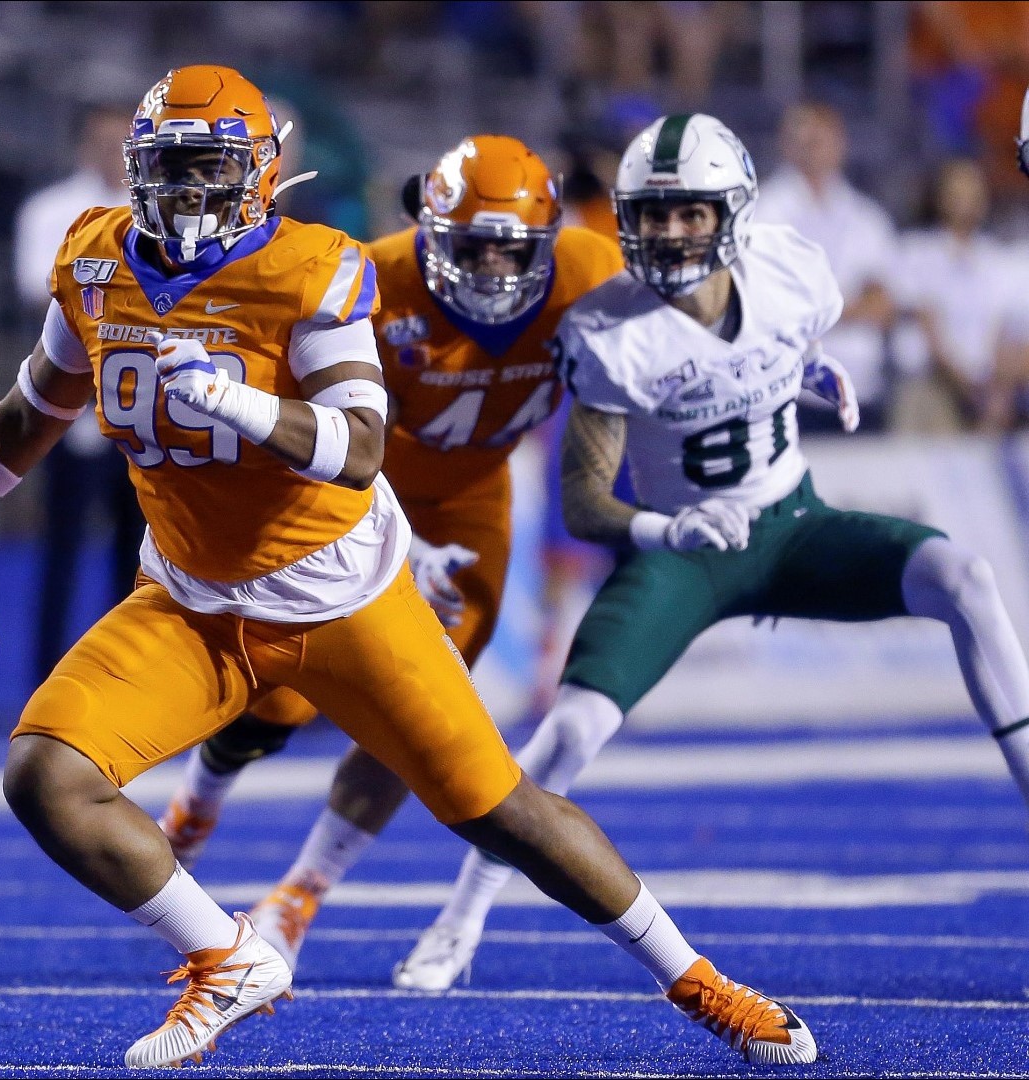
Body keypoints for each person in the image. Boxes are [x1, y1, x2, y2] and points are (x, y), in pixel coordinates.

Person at [0, 67, 817, 1069]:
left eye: (206, 169)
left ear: (262, 174)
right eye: (166, 168)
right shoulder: (95, 258)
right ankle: (226, 958)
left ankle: (702, 984)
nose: (182, 193)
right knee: (45, 778)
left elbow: (358, 447)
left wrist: (240, 406)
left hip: (341, 595)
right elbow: (24, 427)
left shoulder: (312, 266)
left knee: (500, 813)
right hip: (192, 601)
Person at [399, 113, 1029, 993]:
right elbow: (585, 499)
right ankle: (458, 920)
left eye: (689, 213)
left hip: (792, 522)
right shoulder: (612, 330)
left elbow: (764, 345)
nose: (667, 232)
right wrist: (667, 530)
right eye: (651, 216)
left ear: (730, 212)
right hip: (681, 555)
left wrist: (805, 370)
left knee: (963, 575)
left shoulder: (791, 270)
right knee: (569, 730)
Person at [153, 135, 625, 972]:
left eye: (507, 249)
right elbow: (315, 424)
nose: (487, 268)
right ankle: (200, 799)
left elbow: (692, 324)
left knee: (418, 714)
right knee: (278, 701)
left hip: (474, 502)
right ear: (429, 231)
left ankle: (300, 894)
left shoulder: (592, 271)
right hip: (345, 505)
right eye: (468, 246)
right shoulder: (371, 277)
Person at [11, 102, 146, 684]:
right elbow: (39, 286)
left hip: (142, 398)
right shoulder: (53, 210)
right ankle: (47, 679)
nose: (112, 153)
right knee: (62, 544)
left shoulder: (155, 207)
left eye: (123, 141)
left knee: (139, 546)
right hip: (73, 392)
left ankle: (125, 675)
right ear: (82, 144)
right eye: (103, 139)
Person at [753, 103, 898, 431]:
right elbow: (771, 305)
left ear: (840, 143)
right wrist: (851, 305)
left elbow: (884, 307)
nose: (813, 147)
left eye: (822, 138)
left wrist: (817, 309)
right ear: (786, 145)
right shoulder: (765, 211)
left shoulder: (866, 217)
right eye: (804, 138)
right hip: (789, 392)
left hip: (861, 387)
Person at [887, 158, 1029, 433]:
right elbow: (928, 328)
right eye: (957, 193)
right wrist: (969, 387)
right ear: (941, 197)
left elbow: (1005, 331)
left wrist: (998, 390)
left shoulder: (996, 259)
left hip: (989, 393)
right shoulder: (916, 251)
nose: (965, 201)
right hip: (931, 388)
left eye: (973, 193)